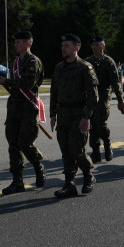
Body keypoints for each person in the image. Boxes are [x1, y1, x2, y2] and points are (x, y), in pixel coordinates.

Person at [50, 34, 99, 198]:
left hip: (79, 115)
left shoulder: (85, 67)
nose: (63, 48)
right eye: (62, 45)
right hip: (63, 114)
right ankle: (69, 184)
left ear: (76, 48)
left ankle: (88, 175)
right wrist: (52, 114)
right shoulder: (58, 68)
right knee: (65, 150)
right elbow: (54, 93)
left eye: (67, 46)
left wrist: (86, 116)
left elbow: (94, 97)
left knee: (77, 150)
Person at [0, 30, 46, 194]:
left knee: (25, 143)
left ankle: (38, 166)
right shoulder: (16, 61)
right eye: (16, 42)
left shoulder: (33, 61)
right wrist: (8, 83)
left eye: (19, 42)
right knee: (13, 145)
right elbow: (16, 84)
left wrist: (8, 82)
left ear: (28, 43)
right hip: (14, 109)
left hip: (27, 109)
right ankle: (17, 181)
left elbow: (28, 83)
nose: (16, 44)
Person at [86, 35, 124, 163]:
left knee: (100, 121)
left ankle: (107, 145)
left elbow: (115, 82)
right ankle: (96, 151)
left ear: (104, 46)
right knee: (92, 123)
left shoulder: (108, 61)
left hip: (103, 93)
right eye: (93, 45)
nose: (95, 47)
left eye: (98, 45)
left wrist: (120, 100)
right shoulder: (87, 61)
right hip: (91, 95)